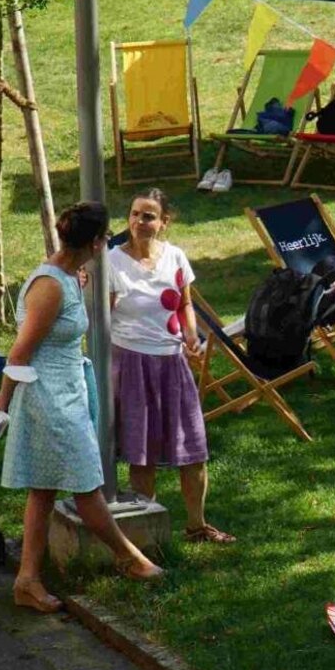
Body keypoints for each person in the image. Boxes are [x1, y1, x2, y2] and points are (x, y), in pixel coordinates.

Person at [0, 202, 164, 613]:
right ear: (97, 242)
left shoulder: (67, 275)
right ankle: (130, 560)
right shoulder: (50, 286)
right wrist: (4, 399)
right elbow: (19, 353)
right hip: (48, 396)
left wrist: (77, 281)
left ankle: (27, 580)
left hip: (64, 390)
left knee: (44, 489)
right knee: (87, 484)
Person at [107, 189, 230, 544]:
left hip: (172, 361)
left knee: (193, 449)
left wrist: (191, 336)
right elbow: (102, 315)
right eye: (134, 214)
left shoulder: (175, 256)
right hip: (131, 362)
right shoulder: (112, 261)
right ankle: (148, 534)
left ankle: (197, 526)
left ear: (164, 222)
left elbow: (184, 304)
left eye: (148, 216)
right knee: (141, 454)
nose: (139, 222)